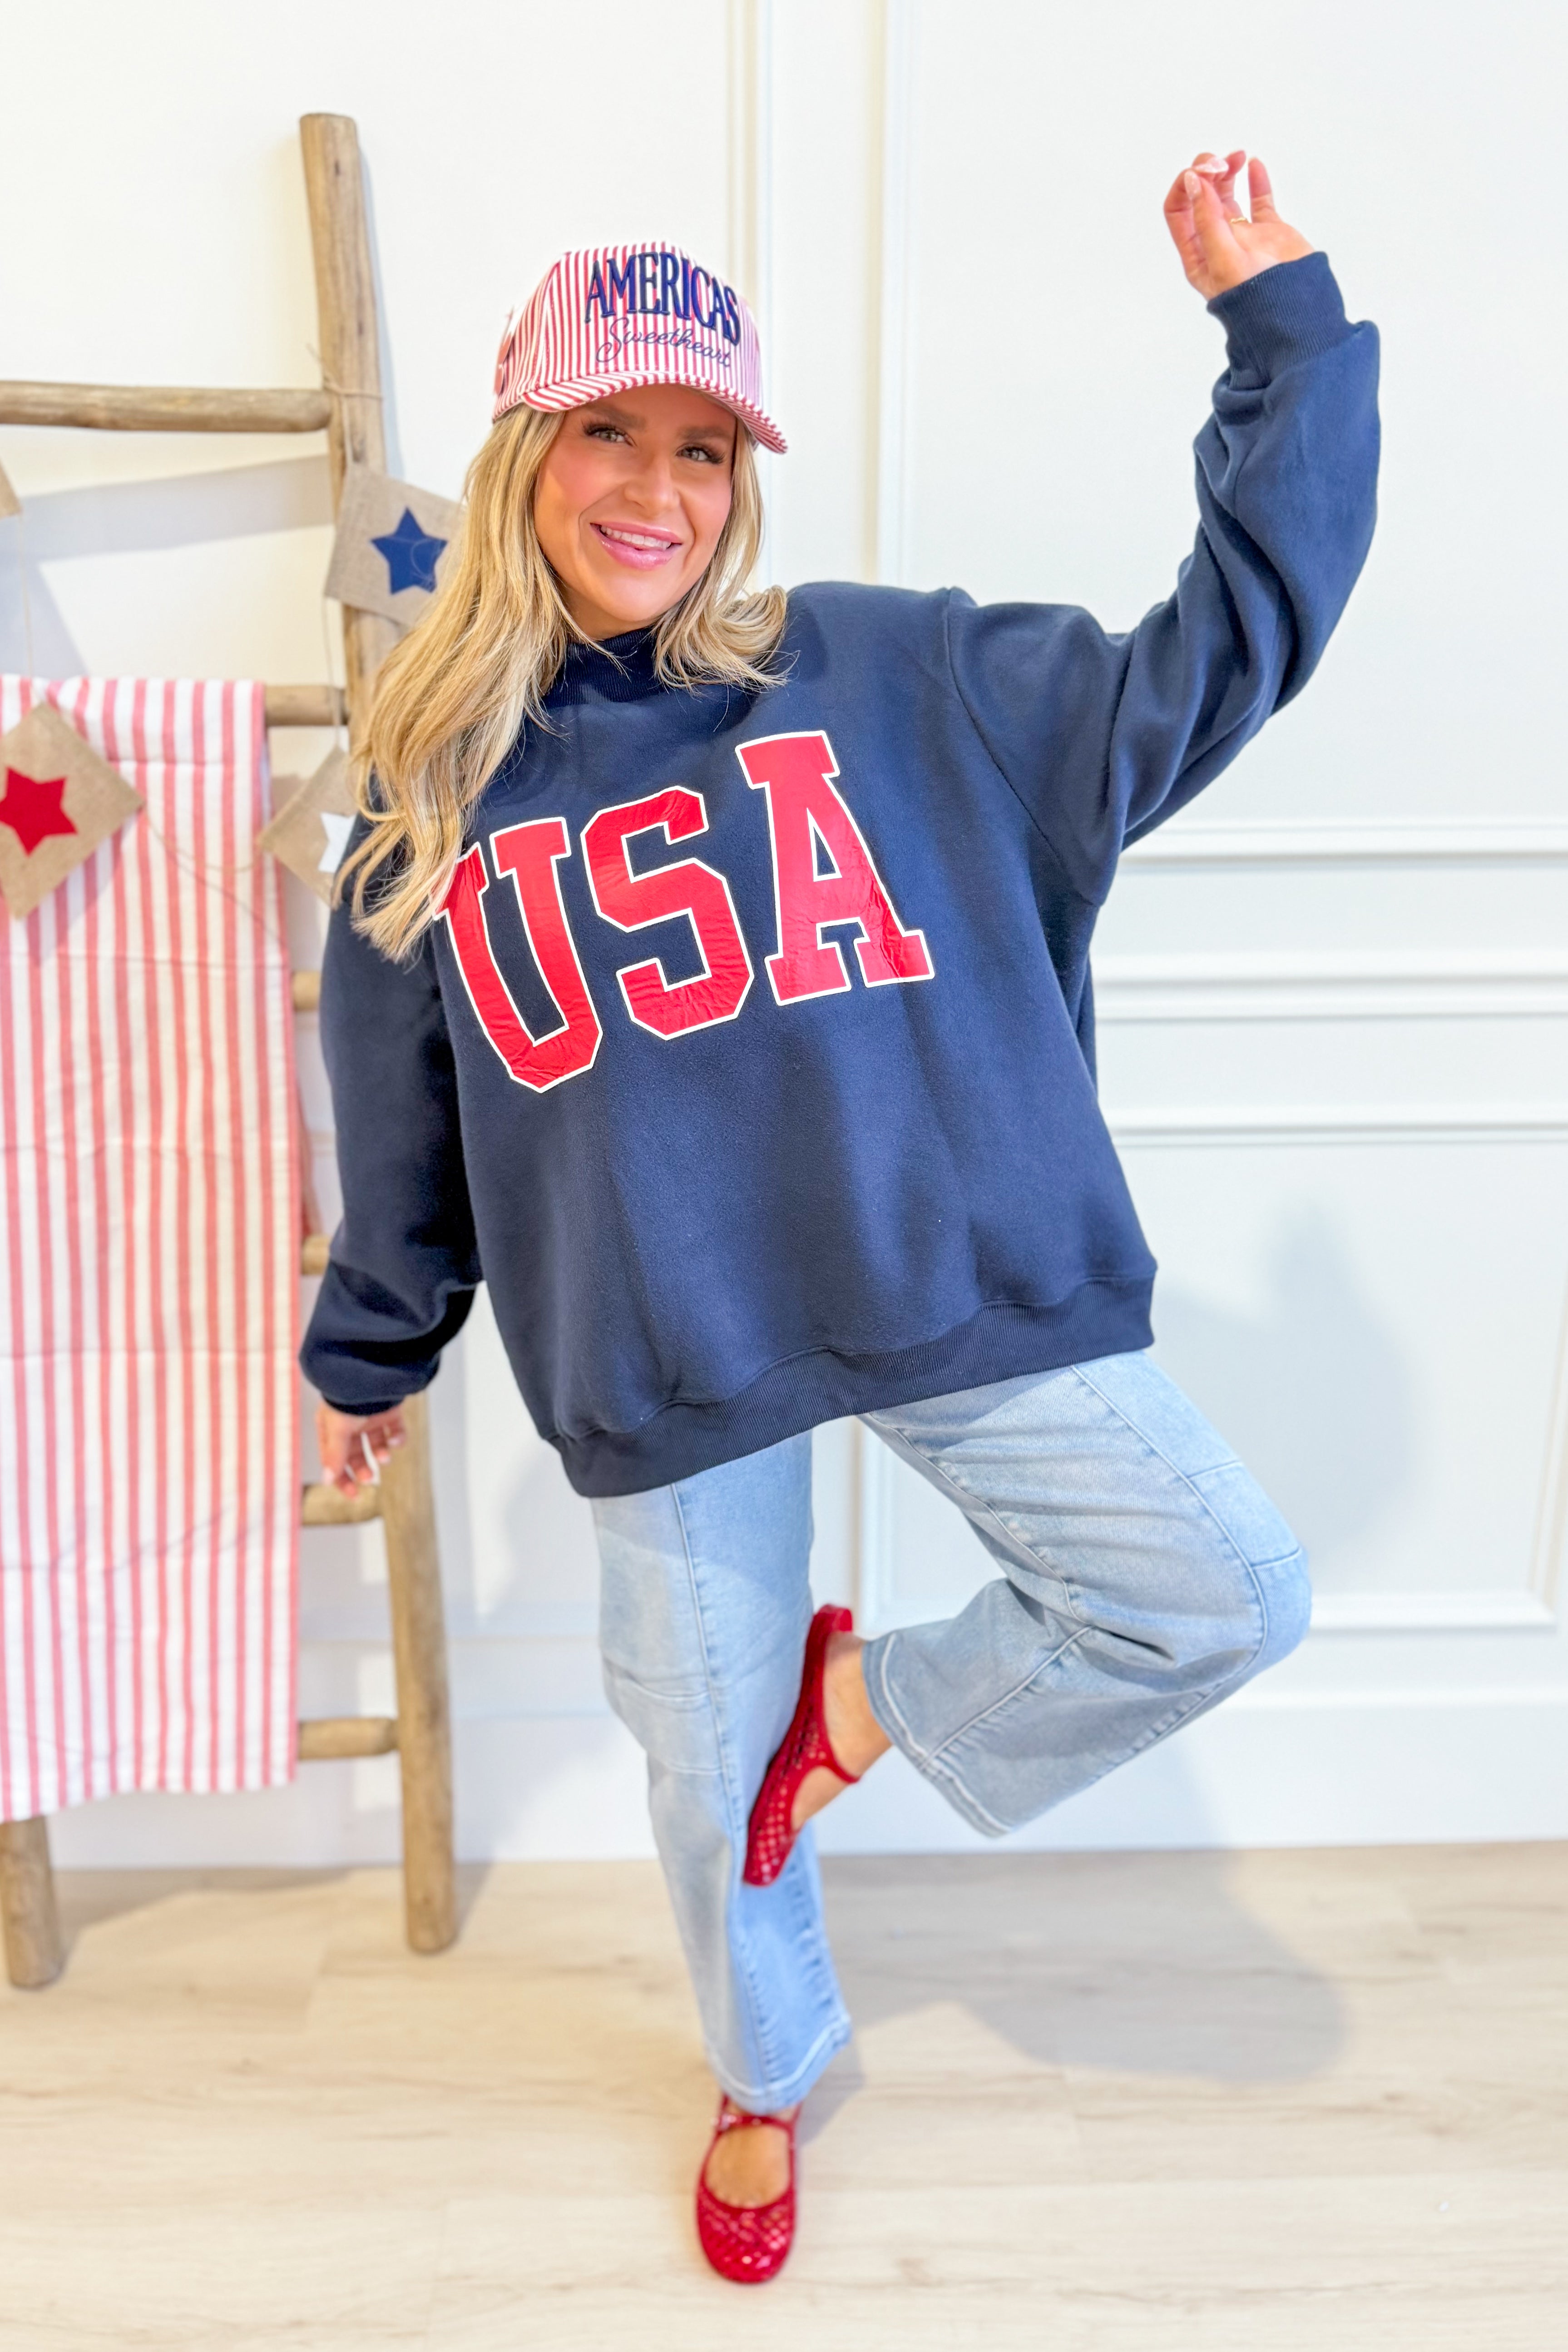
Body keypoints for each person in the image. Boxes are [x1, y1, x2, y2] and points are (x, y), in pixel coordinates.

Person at [301, 150, 1379, 2284]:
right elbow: (401, 1127)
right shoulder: (427, 795)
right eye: (609, 429)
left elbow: (1219, 656)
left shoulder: (891, 672)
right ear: (523, 450)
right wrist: (367, 1353)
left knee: (1221, 1589)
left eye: (703, 448)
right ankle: (765, 2062)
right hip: (670, 1351)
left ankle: (859, 1707)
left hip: (955, 1276)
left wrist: (1284, 345)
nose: (656, 489)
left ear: (745, 481)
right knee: (708, 1774)